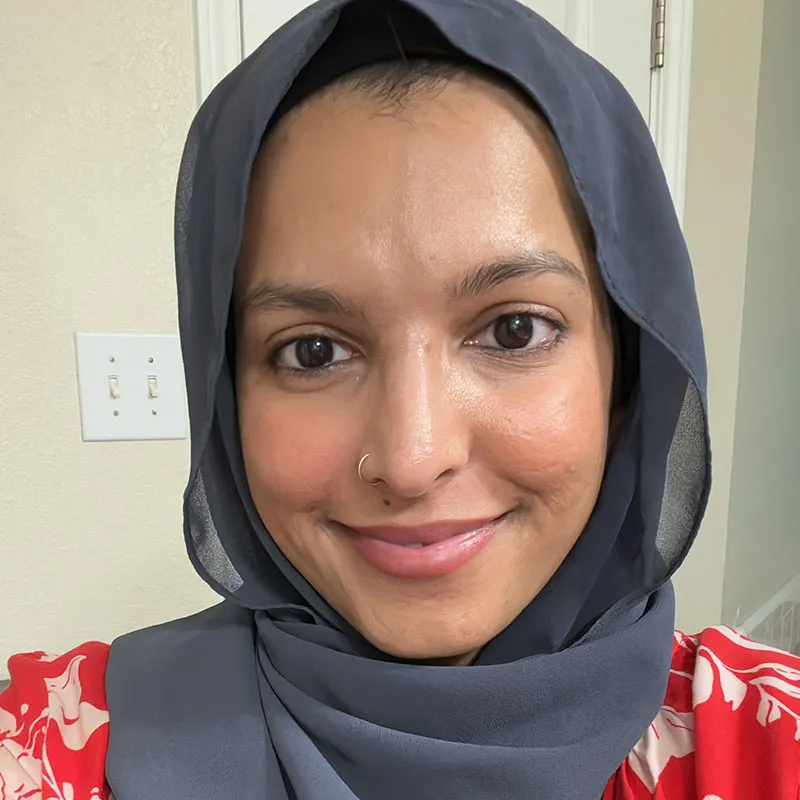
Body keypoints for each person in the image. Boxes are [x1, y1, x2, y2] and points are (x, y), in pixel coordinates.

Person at [2, 1, 799, 798]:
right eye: (313, 351)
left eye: (515, 331)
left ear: (626, 375)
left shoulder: (768, 739)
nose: (414, 461)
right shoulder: (54, 740)